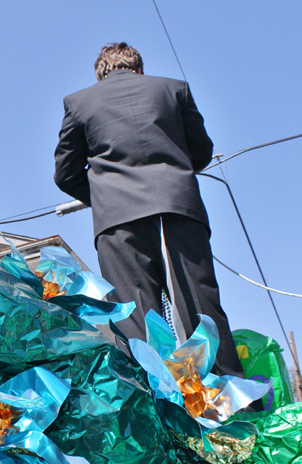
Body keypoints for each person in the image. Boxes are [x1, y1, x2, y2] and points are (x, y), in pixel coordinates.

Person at [53, 42, 247, 380]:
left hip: (117, 220)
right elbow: (200, 152)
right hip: (178, 207)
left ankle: (159, 411)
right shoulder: (174, 90)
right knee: (201, 310)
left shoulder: (79, 103)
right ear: (138, 67)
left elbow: (65, 173)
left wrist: (105, 194)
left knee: (137, 318)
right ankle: (233, 409)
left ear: (100, 73)